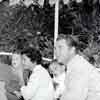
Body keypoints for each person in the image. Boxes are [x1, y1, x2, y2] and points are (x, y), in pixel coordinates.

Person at [55, 34, 100, 100]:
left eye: (60, 47)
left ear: (72, 50)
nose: (56, 52)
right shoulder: (75, 65)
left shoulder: (79, 69)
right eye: (55, 48)